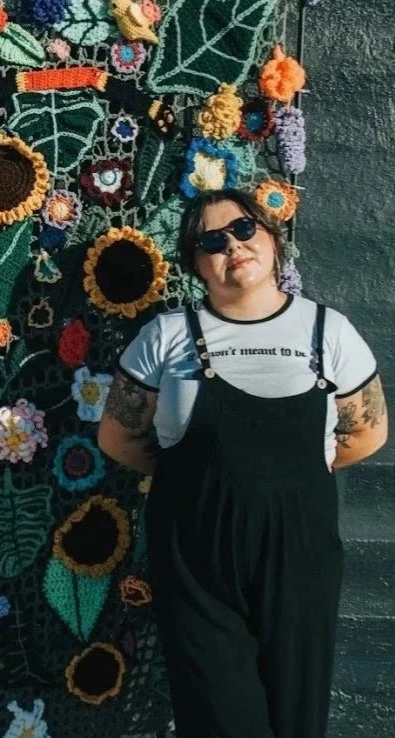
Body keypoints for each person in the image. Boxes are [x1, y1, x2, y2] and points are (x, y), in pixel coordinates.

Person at [96, 188, 388, 738]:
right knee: (220, 720)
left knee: (296, 717)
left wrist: (281, 483)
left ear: (272, 238)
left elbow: (367, 434)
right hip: (195, 559)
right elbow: (118, 438)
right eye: (212, 240)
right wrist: (202, 481)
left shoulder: (331, 333)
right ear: (196, 264)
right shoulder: (168, 337)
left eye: (244, 228)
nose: (233, 244)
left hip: (300, 554)